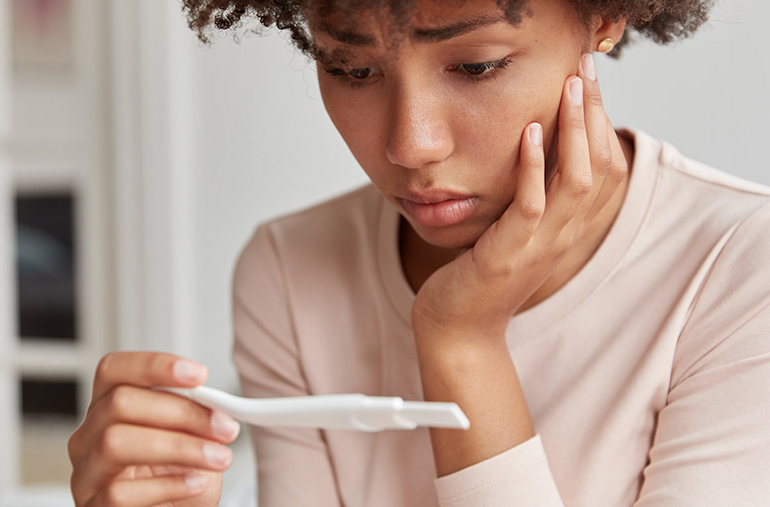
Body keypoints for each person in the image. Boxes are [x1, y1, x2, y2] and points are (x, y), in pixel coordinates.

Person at [68, 0, 770, 505]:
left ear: (605, 18)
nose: (411, 143)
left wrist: (461, 341)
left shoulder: (740, 269)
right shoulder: (289, 271)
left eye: (475, 65)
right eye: (351, 70)